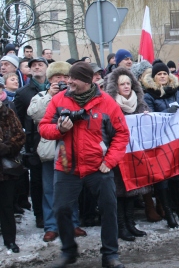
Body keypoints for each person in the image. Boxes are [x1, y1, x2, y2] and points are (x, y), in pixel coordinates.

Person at [39, 62, 130, 268]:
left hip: (98, 167)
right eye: (68, 77)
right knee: (61, 209)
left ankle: (110, 255)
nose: (68, 81)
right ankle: (69, 251)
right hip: (66, 166)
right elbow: (44, 127)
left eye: (74, 78)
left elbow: (122, 134)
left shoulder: (107, 102)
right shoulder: (59, 100)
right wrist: (60, 129)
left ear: (88, 82)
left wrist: (110, 160)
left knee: (109, 209)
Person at [27, 61, 86, 243]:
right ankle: (51, 226)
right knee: (49, 190)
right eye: (57, 78)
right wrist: (50, 96)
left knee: (71, 189)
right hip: (49, 149)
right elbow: (34, 114)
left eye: (64, 77)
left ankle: (73, 223)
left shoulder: (74, 96)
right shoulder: (40, 96)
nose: (61, 81)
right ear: (50, 79)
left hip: (71, 148)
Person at [106, 67, 154, 241]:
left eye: (128, 83)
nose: (126, 87)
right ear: (115, 87)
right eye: (122, 84)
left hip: (134, 153)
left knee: (132, 189)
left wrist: (147, 118)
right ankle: (121, 226)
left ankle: (131, 223)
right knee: (119, 191)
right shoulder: (110, 104)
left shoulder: (140, 103)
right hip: (117, 152)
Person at [142, 62, 179, 227]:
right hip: (161, 142)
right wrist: (165, 113)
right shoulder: (149, 94)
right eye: (159, 74)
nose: (162, 76)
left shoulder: (176, 92)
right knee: (163, 179)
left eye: (164, 74)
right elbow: (149, 118)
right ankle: (169, 212)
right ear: (154, 78)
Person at [14, 57, 50, 229]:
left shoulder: (54, 88)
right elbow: (18, 120)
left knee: (54, 180)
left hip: (53, 140)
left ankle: (54, 214)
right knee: (37, 182)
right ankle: (40, 215)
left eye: (40, 65)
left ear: (46, 68)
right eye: (33, 66)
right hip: (34, 144)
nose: (37, 67)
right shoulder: (22, 93)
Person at [0, 90, 26, 253]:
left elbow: (20, 136)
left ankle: (10, 240)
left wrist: (6, 147)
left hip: (5, 169)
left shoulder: (8, 113)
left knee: (6, 206)